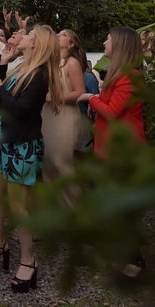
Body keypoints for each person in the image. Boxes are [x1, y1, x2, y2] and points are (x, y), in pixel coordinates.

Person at [0, 25, 63, 293]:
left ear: (37, 45)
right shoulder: (19, 67)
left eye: (28, 36)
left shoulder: (39, 76)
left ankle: (29, 261)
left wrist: (0, 86)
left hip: (21, 146)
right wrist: (3, 65)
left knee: (18, 207)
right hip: (2, 140)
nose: (23, 37)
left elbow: (19, 109)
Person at [77, 26, 147, 276]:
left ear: (119, 44)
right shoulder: (118, 74)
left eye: (108, 38)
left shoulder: (130, 76)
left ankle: (134, 259)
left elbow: (112, 112)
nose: (105, 40)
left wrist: (89, 98)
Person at [41, 28, 87, 199]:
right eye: (58, 34)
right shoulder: (50, 61)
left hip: (65, 116)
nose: (58, 36)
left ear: (71, 44)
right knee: (48, 162)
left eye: (64, 35)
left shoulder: (72, 63)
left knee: (62, 163)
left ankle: (74, 210)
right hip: (48, 115)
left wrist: (53, 97)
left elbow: (80, 92)